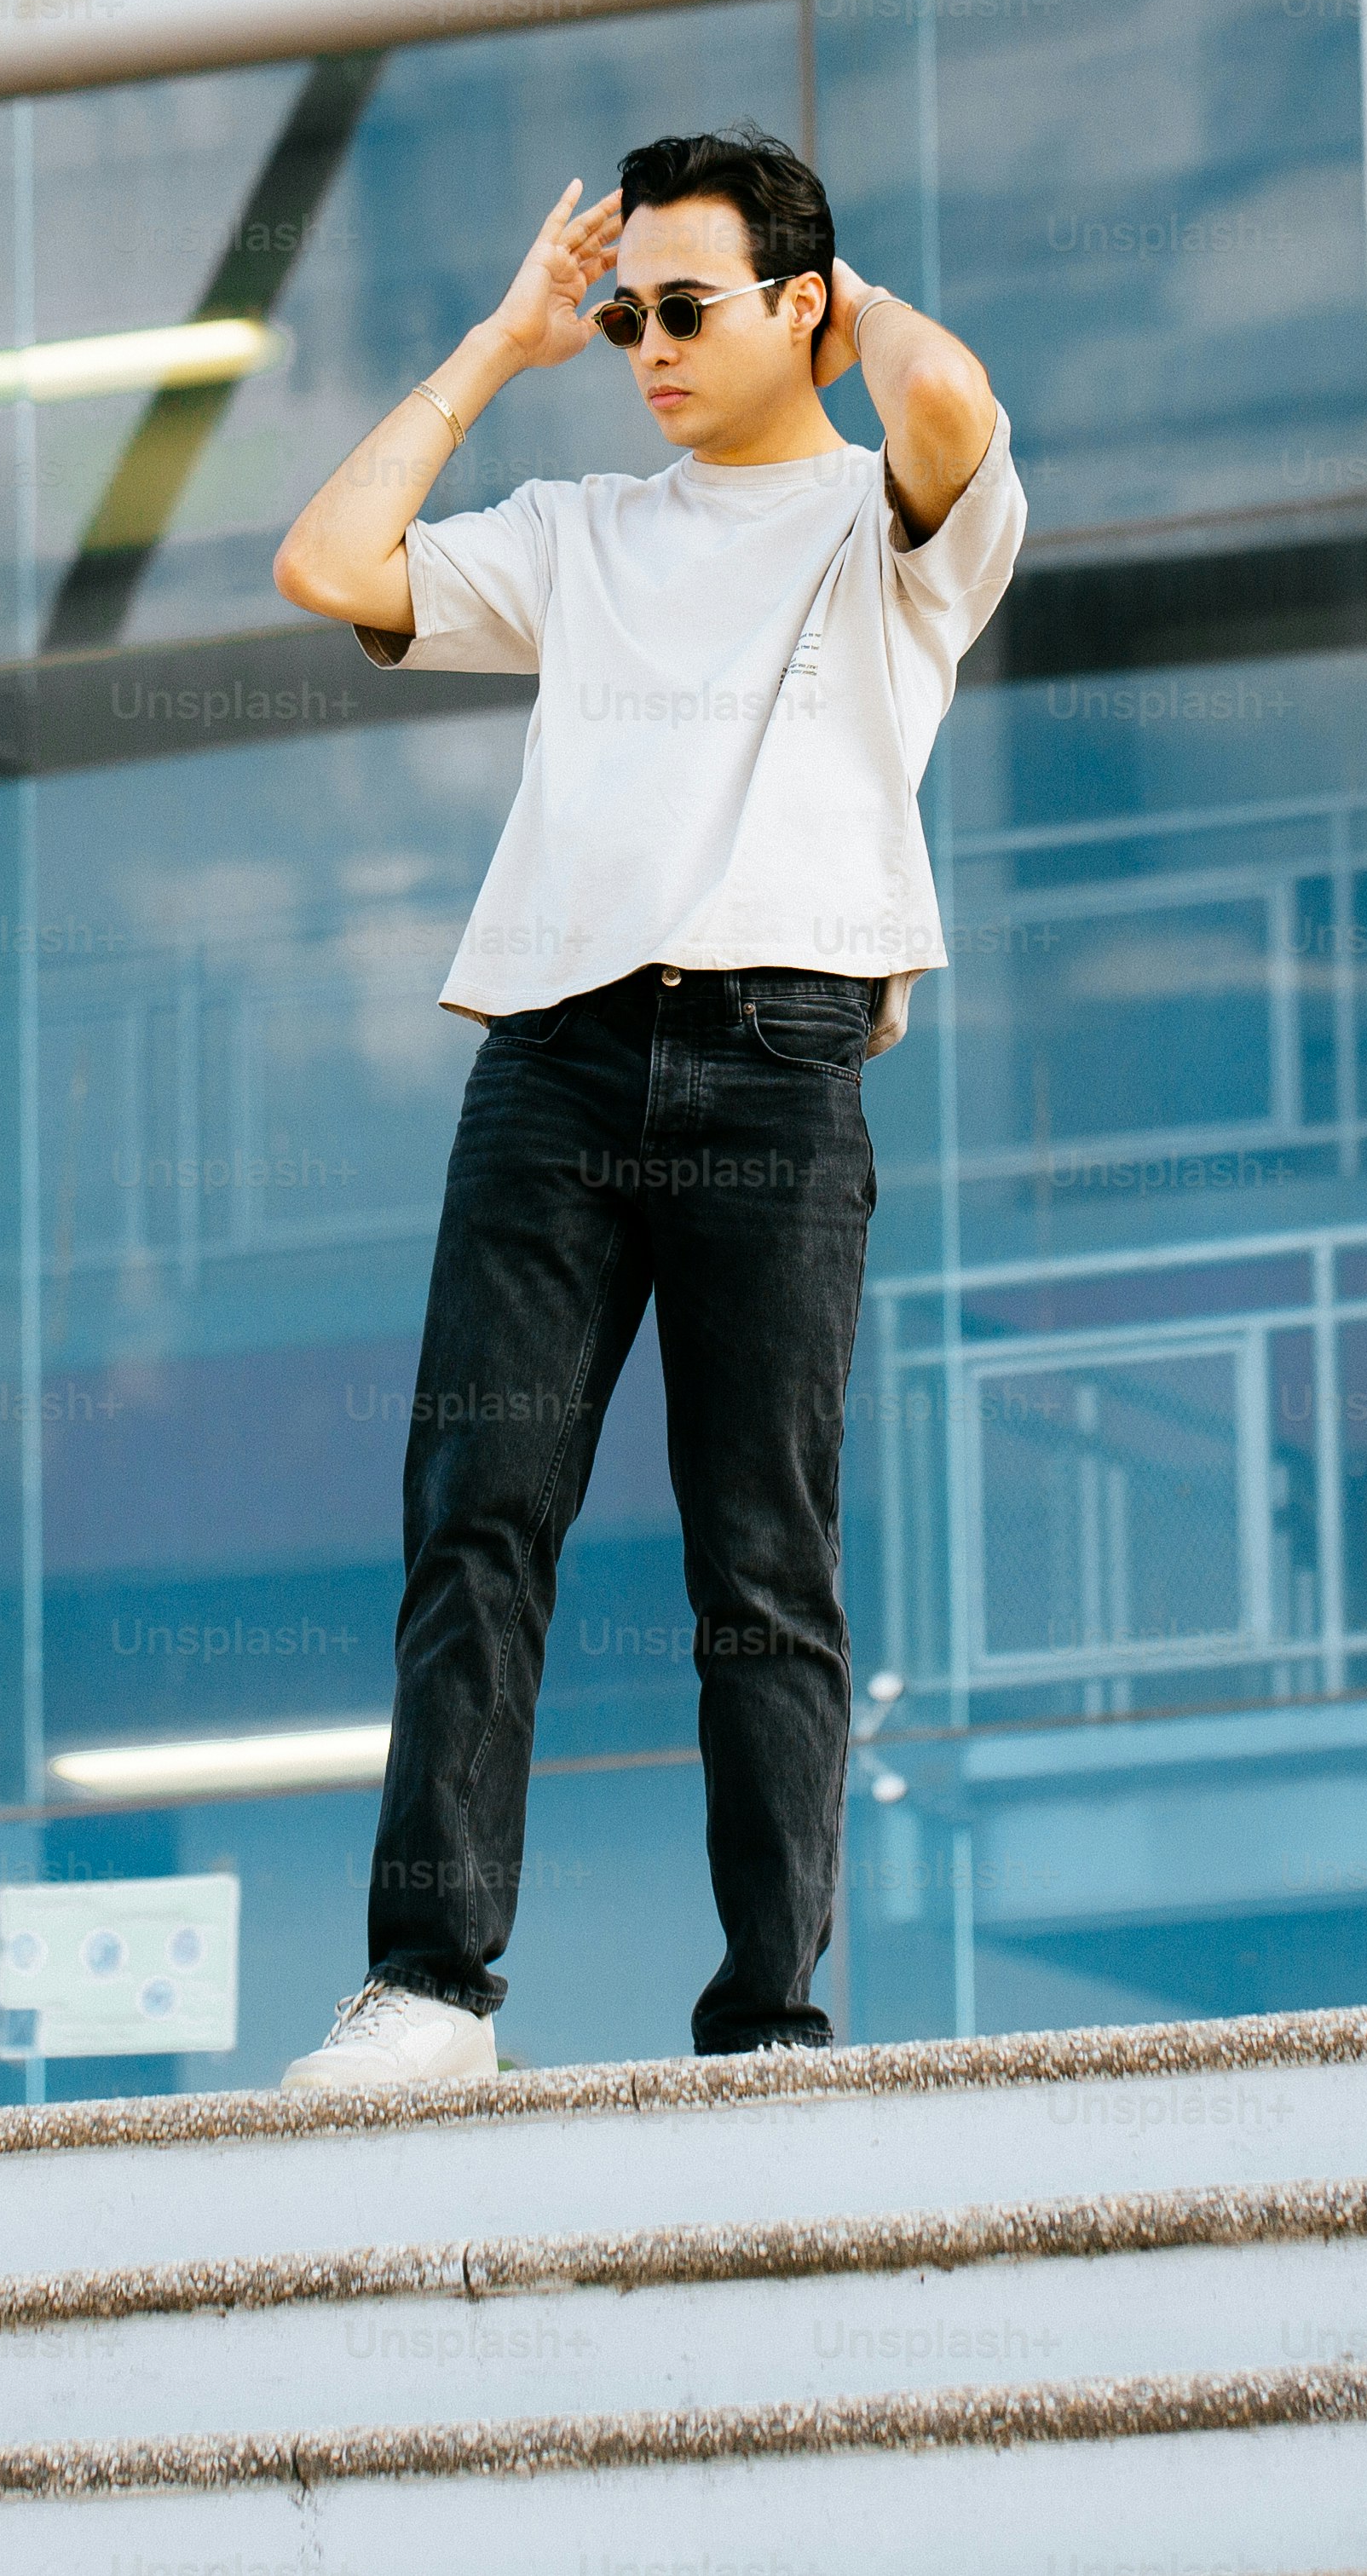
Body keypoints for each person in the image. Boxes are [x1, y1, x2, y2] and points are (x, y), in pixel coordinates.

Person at [263, 125, 1024, 2083]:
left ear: (802, 305)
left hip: (779, 1055)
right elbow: (328, 561)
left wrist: (850, 311)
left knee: (761, 1561)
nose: (651, 349)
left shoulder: (885, 525)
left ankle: (769, 2023)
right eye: (627, 320)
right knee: (477, 1521)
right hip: (553, 1056)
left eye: (687, 309)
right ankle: (431, 1991)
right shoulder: (583, 528)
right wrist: (504, 345)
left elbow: (949, 400)